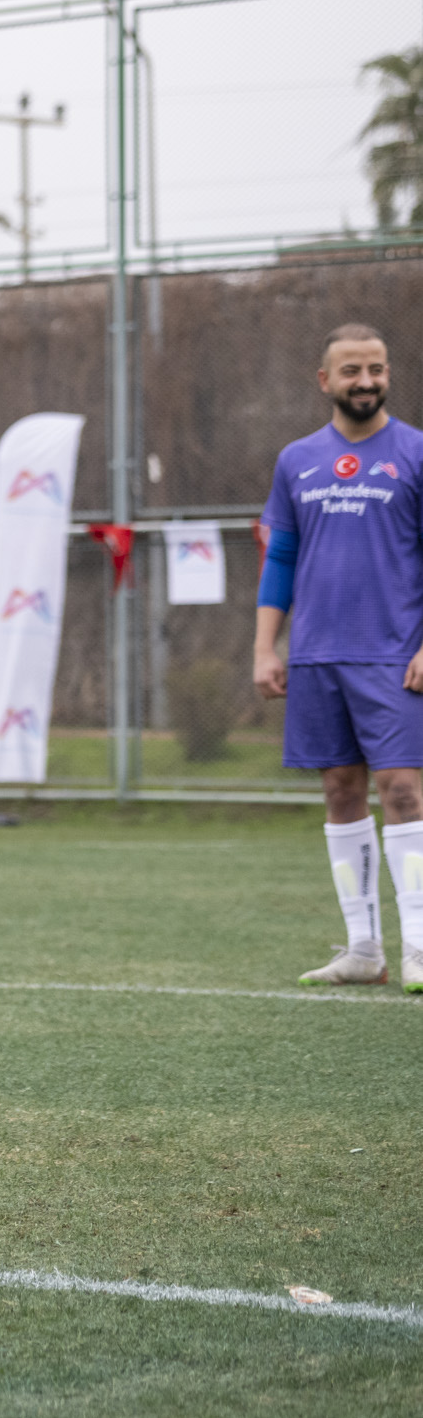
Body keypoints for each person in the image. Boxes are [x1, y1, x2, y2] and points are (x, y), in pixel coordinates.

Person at [254, 322, 423, 991]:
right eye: (351, 370)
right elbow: (281, 556)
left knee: (404, 791)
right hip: (317, 655)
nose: (366, 381)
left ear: (388, 374)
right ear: (325, 380)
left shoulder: (415, 452)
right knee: (339, 792)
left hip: (394, 656)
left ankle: (419, 947)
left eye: (375, 368)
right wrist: (266, 646)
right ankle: (364, 951)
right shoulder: (296, 459)